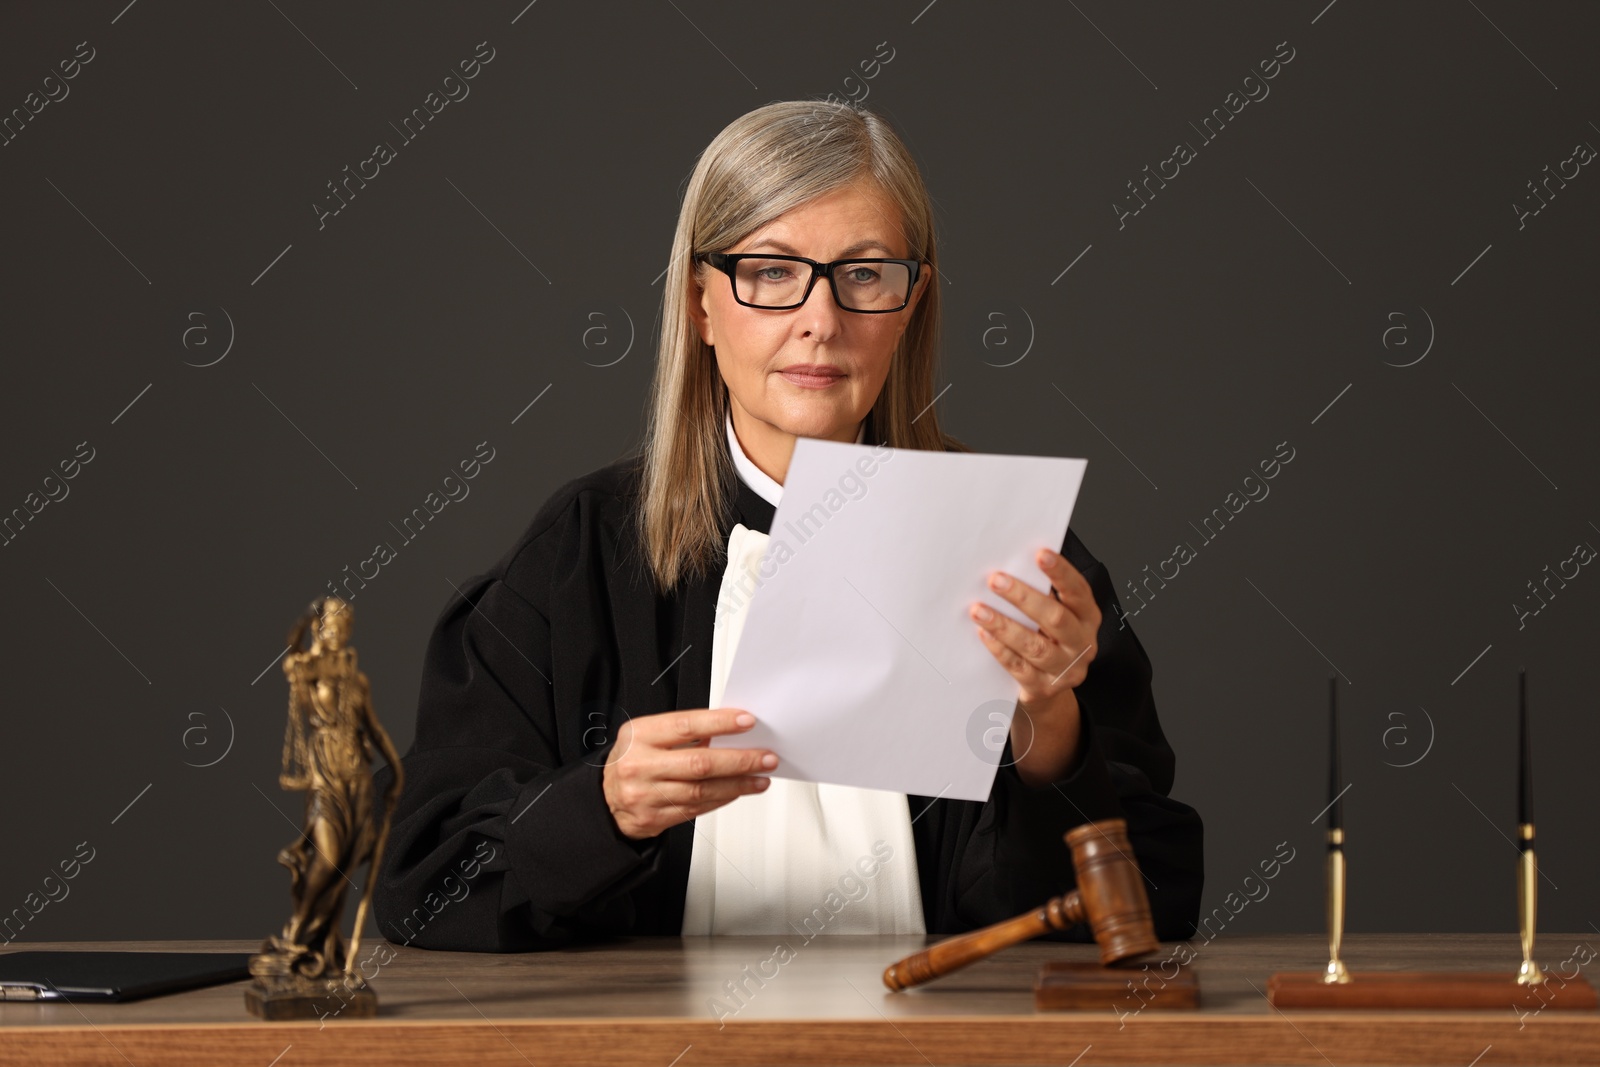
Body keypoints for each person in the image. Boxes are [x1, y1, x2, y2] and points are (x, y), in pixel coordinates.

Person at [372, 100, 1203, 952]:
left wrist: (1051, 729)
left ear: (912, 302)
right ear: (701, 305)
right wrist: (605, 807)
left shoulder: (1019, 558)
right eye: (770, 272)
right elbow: (421, 884)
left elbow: (1156, 905)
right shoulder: (579, 552)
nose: (820, 319)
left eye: (865, 274)